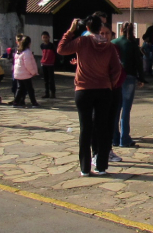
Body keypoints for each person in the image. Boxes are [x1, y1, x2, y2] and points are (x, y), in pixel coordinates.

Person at [58, 16, 122, 176]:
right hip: (103, 90)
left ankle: (85, 168)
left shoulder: (82, 42)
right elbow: (116, 69)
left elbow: (61, 49)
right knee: (103, 129)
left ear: (87, 27)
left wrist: (70, 31)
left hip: (83, 89)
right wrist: (110, 82)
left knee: (85, 129)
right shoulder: (109, 46)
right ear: (100, 27)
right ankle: (101, 166)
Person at [112, 23, 145, 148]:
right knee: (126, 109)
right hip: (129, 76)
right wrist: (141, 78)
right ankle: (124, 138)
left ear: (121, 29)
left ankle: (114, 137)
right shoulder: (132, 44)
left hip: (116, 77)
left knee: (116, 108)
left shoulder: (114, 42)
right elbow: (138, 62)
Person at [12, 35, 40, 107]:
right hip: (25, 74)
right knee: (30, 89)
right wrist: (33, 72)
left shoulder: (19, 51)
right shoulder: (27, 52)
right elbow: (28, 64)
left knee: (20, 88)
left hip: (18, 73)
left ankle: (16, 102)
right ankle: (34, 103)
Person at [39, 31, 57, 98]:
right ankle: (47, 93)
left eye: (46, 37)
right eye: (43, 37)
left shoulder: (52, 45)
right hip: (44, 64)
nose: (45, 39)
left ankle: (53, 93)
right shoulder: (42, 45)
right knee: (45, 80)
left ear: (49, 37)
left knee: (51, 79)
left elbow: (55, 53)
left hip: (50, 64)